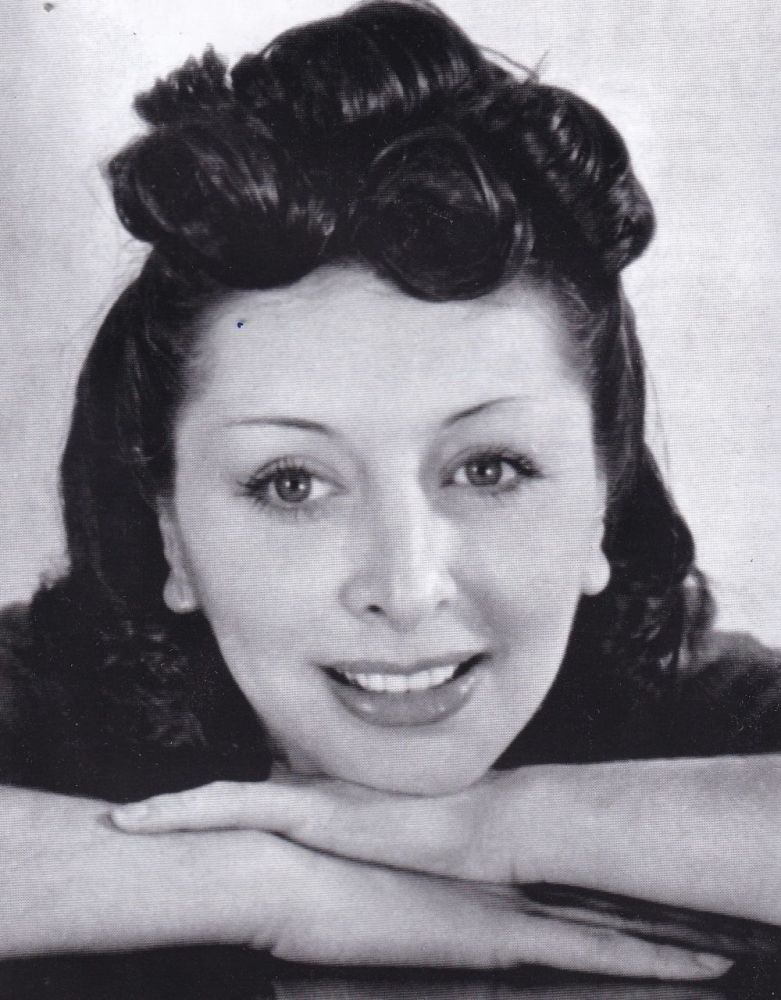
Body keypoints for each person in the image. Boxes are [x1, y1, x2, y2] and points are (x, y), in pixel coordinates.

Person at [1, 0, 779, 982]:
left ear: (601, 498)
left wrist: (494, 825)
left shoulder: (705, 710)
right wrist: (262, 882)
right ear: (171, 530)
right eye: (292, 483)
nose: (405, 589)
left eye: (488, 468)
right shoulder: (42, 697)